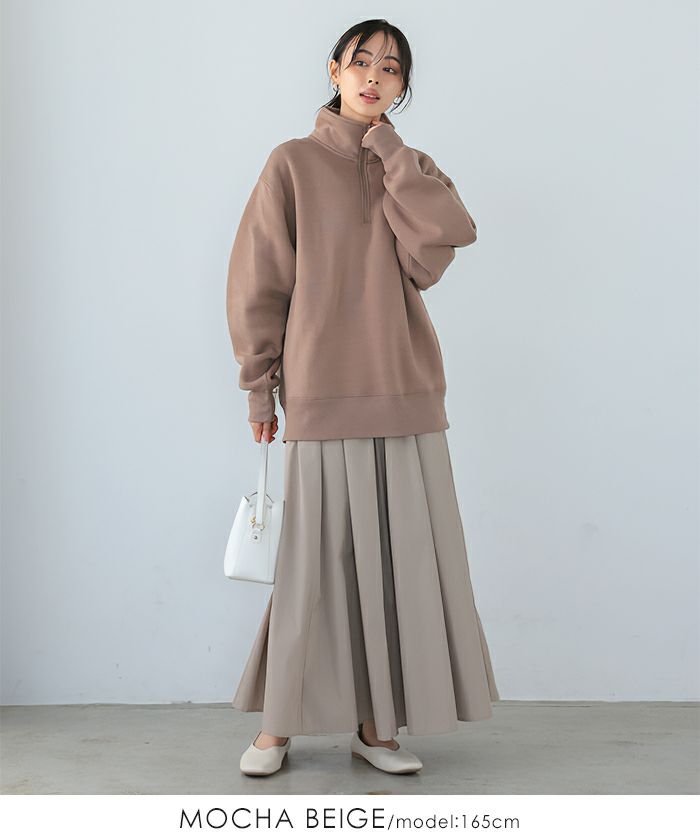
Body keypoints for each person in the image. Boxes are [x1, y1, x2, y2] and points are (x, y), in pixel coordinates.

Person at [225, 18, 499, 777]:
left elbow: (446, 241)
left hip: (405, 390)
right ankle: (277, 727)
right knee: (312, 568)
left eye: (393, 67)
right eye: (362, 62)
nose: (376, 76)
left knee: (399, 567)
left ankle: (376, 729)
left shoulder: (410, 167)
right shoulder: (291, 163)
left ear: (402, 87)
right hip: (320, 390)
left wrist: (391, 155)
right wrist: (259, 388)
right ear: (335, 70)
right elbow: (258, 282)